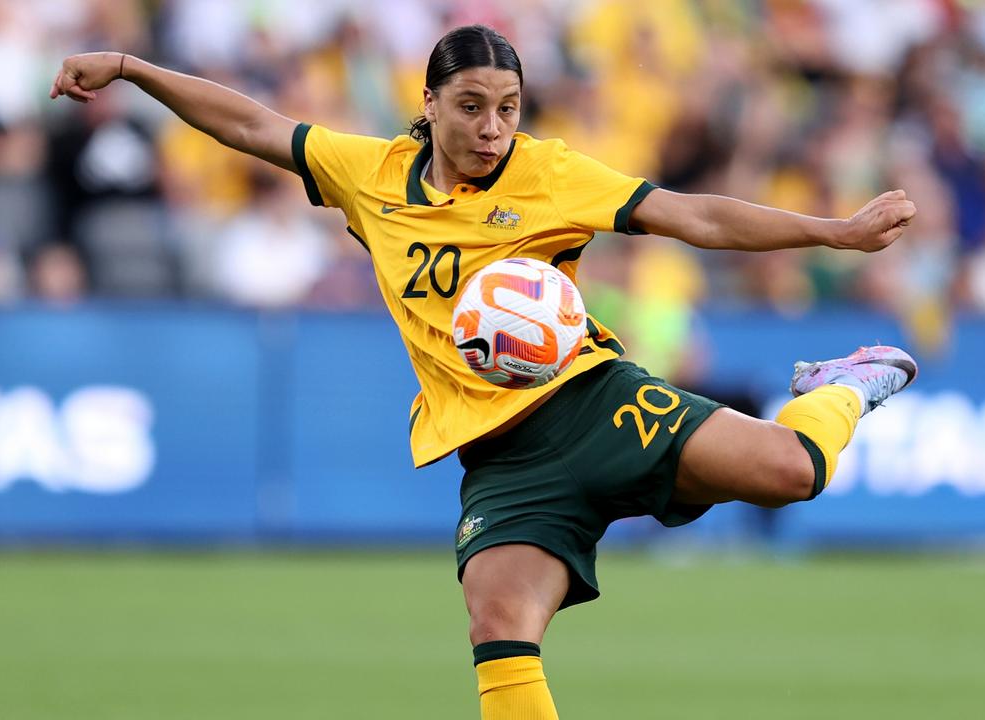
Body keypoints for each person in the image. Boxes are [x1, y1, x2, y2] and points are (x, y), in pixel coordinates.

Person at [51, 25, 918, 719]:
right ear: (427, 105)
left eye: (508, 107)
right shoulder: (371, 175)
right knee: (499, 625)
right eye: (471, 107)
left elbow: (695, 217)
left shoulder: (551, 174)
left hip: (589, 401)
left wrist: (833, 232)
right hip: (500, 461)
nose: (493, 128)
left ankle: (843, 384)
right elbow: (249, 125)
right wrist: (131, 67)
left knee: (791, 472)